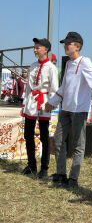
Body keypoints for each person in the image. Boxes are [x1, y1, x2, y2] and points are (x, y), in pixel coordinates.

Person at [45, 32, 92, 188]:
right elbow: (64, 88)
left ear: (77, 46)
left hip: (79, 109)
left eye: (68, 44)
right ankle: (61, 174)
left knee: (78, 144)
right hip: (65, 108)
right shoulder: (69, 64)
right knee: (58, 140)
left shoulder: (85, 62)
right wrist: (52, 102)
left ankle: (73, 179)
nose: (65, 46)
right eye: (65, 43)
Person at [21, 38, 58, 178]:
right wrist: (24, 105)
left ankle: (44, 167)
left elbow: (54, 89)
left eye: (38, 47)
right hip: (31, 102)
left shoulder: (51, 68)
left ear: (46, 49)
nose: (35, 49)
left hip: (44, 103)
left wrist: (51, 104)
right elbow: (28, 89)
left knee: (44, 136)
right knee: (28, 134)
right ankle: (31, 165)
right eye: (34, 47)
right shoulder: (32, 66)